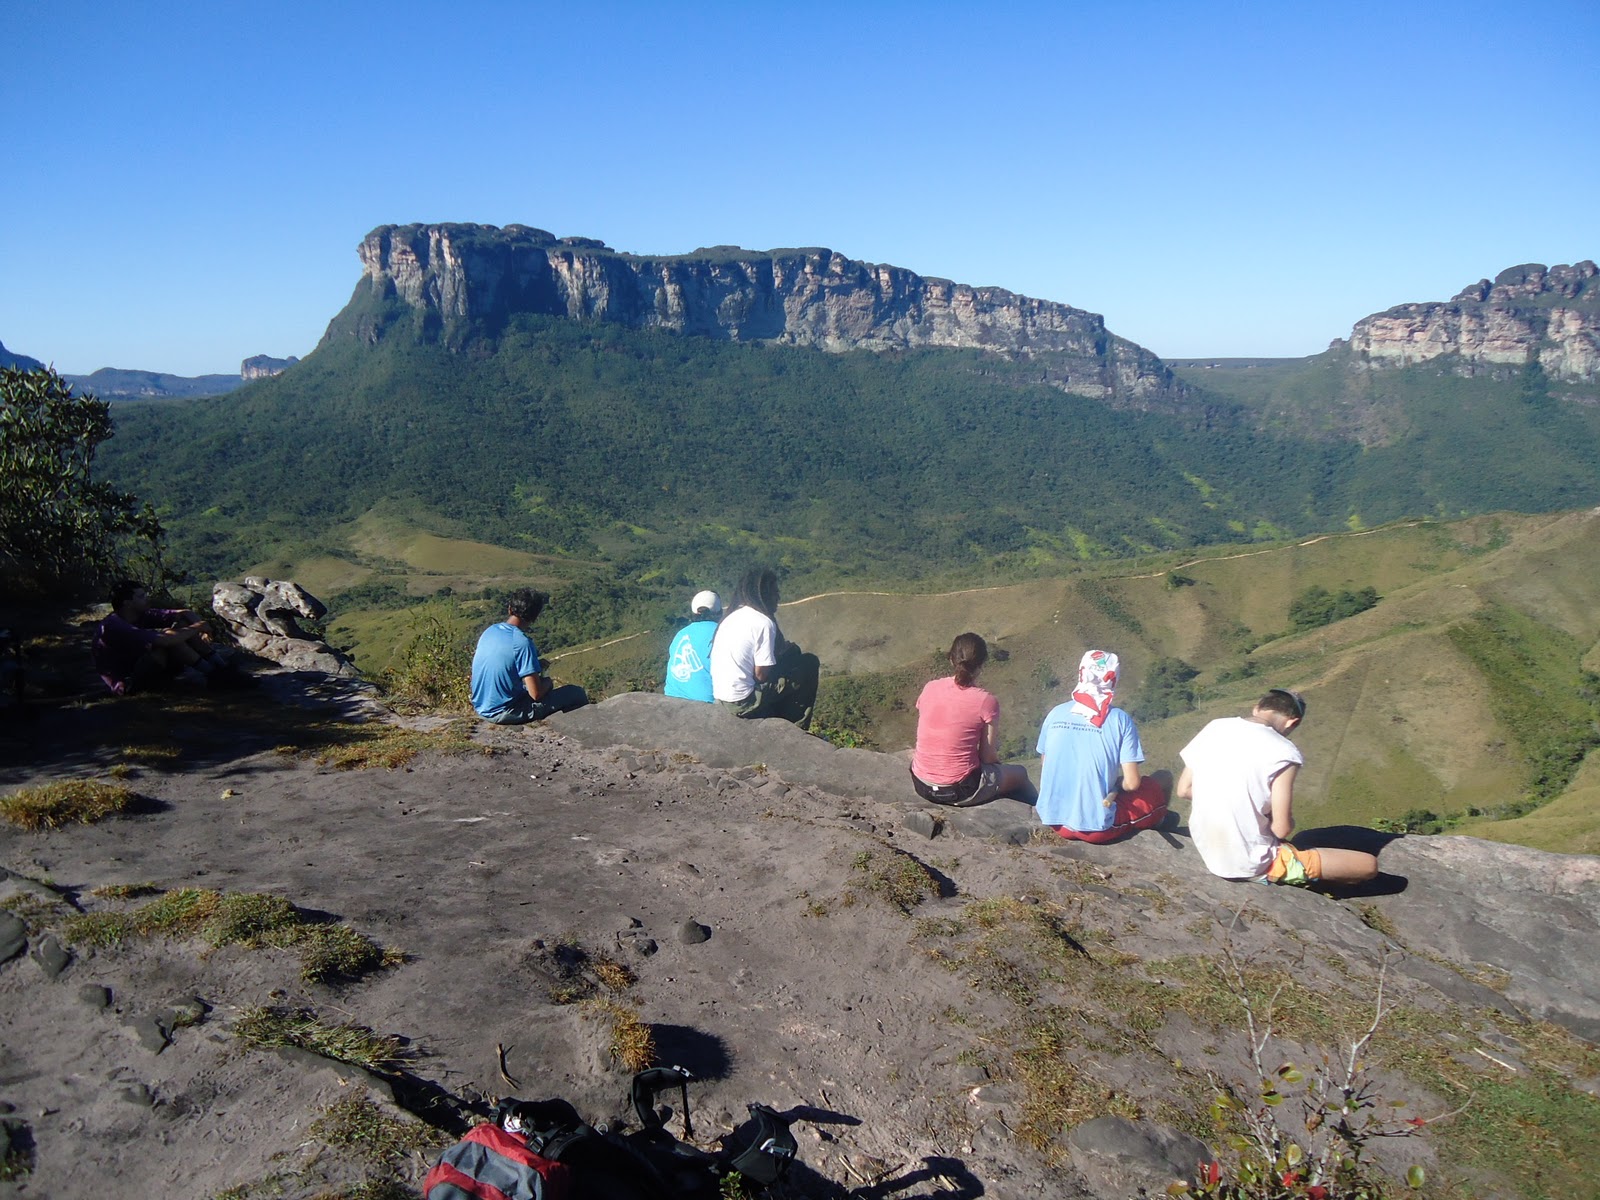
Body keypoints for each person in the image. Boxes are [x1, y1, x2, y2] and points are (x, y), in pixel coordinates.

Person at [1177, 688, 1379, 886]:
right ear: (1293, 722)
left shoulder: (1216, 726)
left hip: (1207, 847)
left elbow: (1184, 790)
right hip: (1249, 862)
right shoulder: (1285, 752)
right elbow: (1281, 829)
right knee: (1368, 865)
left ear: (1256, 708)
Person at [1036, 649, 1168, 841]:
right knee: (1162, 778)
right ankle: (1162, 824)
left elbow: (1046, 763)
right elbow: (1132, 784)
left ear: (1081, 673)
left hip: (1054, 820)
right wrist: (1117, 783)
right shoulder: (1120, 719)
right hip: (1096, 827)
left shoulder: (1056, 713)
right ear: (1114, 679)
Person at [911, 633, 1035, 807]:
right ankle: (1042, 816)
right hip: (960, 790)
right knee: (1020, 773)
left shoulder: (930, 687)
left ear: (951, 660)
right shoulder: (986, 701)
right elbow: (987, 756)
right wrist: (998, 769)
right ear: (982, 664)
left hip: (921, 784)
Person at [709, 568, 819, 729]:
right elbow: (761, 676)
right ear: (764, 594)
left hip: (721, 698)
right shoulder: (763, 623)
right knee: (809, 663)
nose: (778, 597)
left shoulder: (731, 616)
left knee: (792, 657)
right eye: (775, 592)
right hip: (743, 702)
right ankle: (796, 727)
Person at [92, 579, 234, 694]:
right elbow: (165, 641)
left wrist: (200, 625)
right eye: (141, 597)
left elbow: (184, 613)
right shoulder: (115, 625)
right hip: (128, 682)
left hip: (146, 667)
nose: (146, 599)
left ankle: (221, 668)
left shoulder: (140, 615)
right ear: (127, 603)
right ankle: (215, 674)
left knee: (182, 625)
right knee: (170, 638)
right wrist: (198, 627)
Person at [469, 588, 588, 724]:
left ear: (509, 609)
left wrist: (535, 665)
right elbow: (536, 694)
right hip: (505, 712)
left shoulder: (490, 631)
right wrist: (549, 682)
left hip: (481, 707)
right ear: (534, 617)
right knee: (576, 693)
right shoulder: (522, 642)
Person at [663, 590, 722, 703]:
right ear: (720, 612)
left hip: (671, 699)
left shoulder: (681, 634)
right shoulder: (721, 633)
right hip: (705, 704)